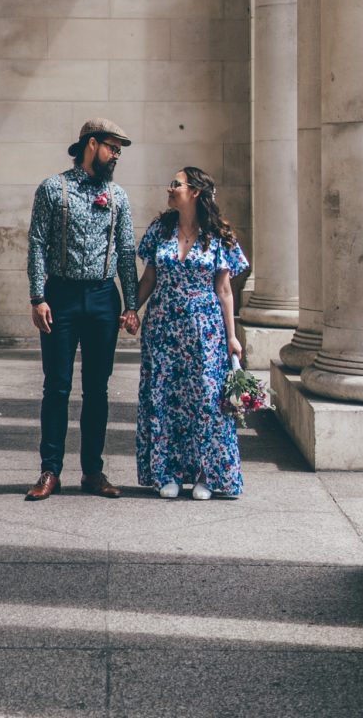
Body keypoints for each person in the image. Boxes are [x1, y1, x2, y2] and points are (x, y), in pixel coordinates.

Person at [25, 120, 140, 500]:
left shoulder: (118, 196)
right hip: (61, 296)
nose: (117, 155)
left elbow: (126, 252)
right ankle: (50, 471)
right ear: (92, 145)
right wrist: (37, 297)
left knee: (98, 388)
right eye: (112, 148)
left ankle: (93, 471)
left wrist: (132, 305)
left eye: (120, 150)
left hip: (104, 299)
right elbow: (38, 244)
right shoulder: (52, 188)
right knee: (56, 387)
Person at [133, 165, 250, 499]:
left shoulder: (218, 236)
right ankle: (166, 472)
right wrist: (129, 311)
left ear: (195, 192)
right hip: (162, 328)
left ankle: (207, 475)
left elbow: (225, 291)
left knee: (206, 402)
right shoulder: (160, 229)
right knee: (163, 398)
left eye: (176, 184)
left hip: (206, 331)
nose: (169, 189)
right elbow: (148, 280)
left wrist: (231, 336)